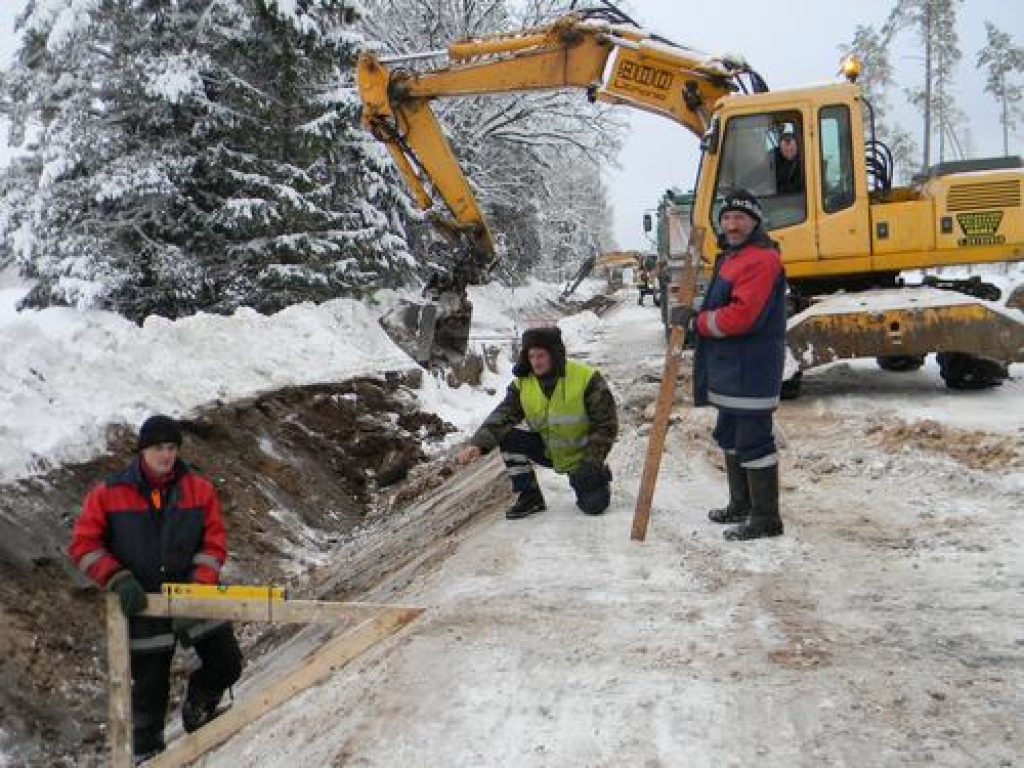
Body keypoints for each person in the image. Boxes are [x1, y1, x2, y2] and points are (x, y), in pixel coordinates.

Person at [69, 415, 243, 763]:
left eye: (172, 448)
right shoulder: (109, 493)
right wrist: (117, 578)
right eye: (159, 448)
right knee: (149, 689)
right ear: (142, 451)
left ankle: (200, 704)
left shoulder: (199, 489)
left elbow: (213, 545)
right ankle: (146, 754)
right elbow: (83, 546)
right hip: (142, 604)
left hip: (193, 595)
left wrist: (195, 592)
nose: (166, 455)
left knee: (226, 662)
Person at [693, 190, 787, 540]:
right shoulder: (732, 257)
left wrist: (698, 323)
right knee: (731, 435)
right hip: (730, 367)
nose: (732, 225)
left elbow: (742, 316)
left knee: (754, 439)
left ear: (755, 222)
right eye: (727, 217)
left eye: (740, 218)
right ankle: (741, 505)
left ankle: (766, 518)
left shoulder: (760, 259)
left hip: (751, 366)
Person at [457, 326, 618, 519]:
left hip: (582, 457)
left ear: (555, 354)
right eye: (531, 356)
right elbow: (503, 414)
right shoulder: (523, 384)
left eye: (541, 356)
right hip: (548, 450)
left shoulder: (586, 378)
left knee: (594, 506)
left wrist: (592, 462)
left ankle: (598, 478)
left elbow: (606, 425)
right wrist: (478, 444)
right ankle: (530, 496)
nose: (535, 362)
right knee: (508, 435)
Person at [773, 125, 803, 194]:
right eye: (785, 150)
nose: (789, 152)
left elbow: (798, 185)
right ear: (780, 149)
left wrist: (777, 189)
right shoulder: (773, 159)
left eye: (792, 150)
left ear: (797, 148)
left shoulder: (803, 162)